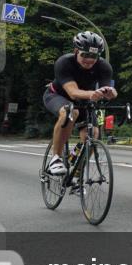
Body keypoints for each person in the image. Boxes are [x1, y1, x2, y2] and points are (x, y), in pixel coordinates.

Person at [42, 31, 117, 176]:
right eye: (85, 55)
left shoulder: (104, 67)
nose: (89, 60)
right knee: (70, 111)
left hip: (83, 100)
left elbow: (106, 90)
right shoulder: (64, 63)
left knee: (93, 133)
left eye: (94, 56)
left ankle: (77, 171)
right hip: (57, 95)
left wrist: (111, 93)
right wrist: (92, 94)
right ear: (76, 51)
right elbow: (73, 92)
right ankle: (56, 158)